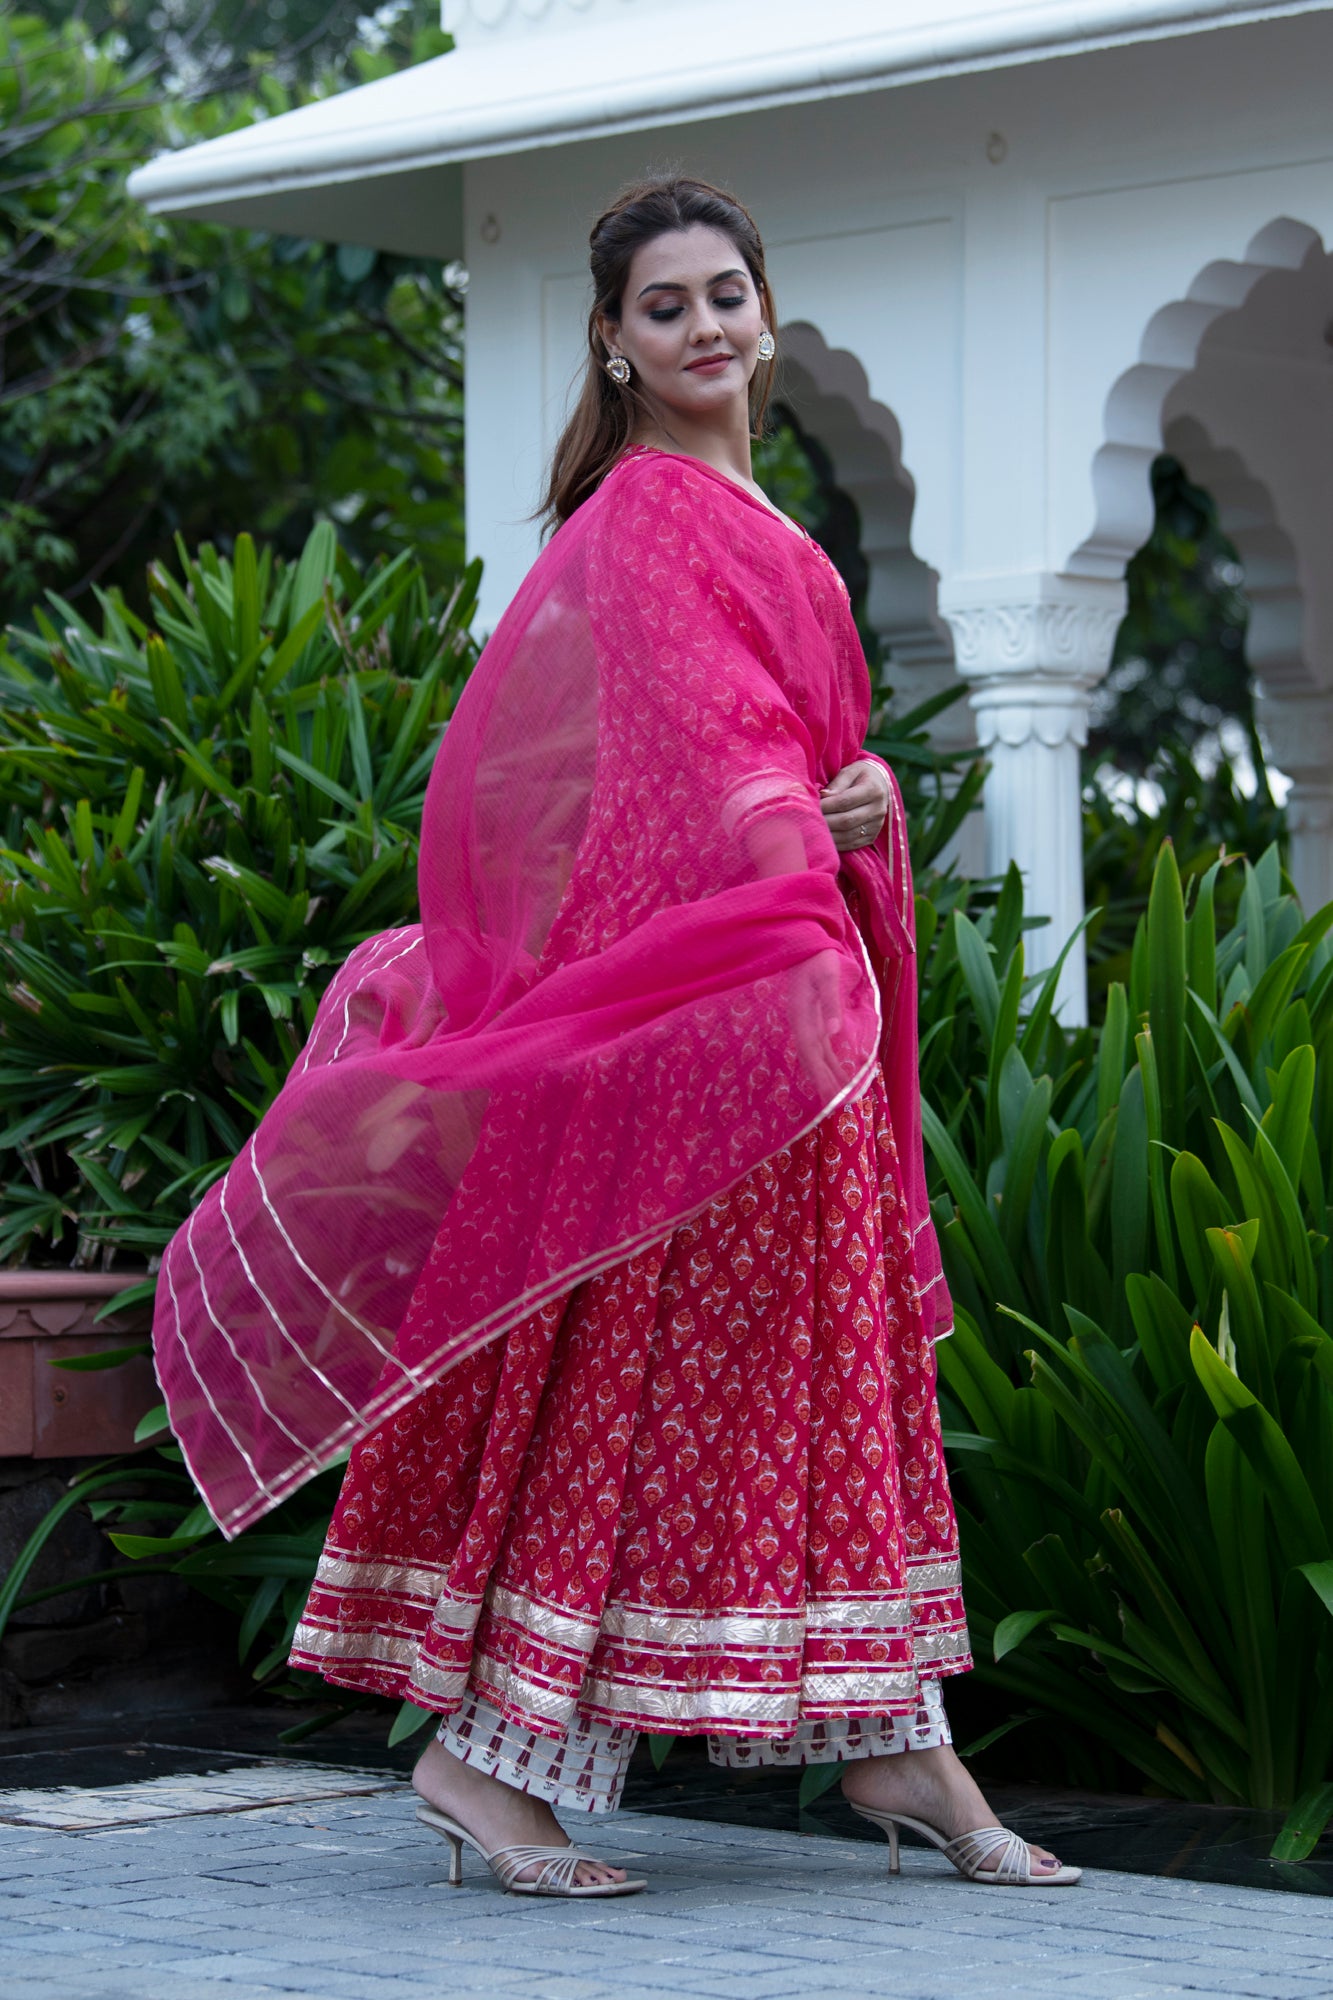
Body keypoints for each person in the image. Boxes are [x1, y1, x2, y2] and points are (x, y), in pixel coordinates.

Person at [152, 176, 1078, 1897]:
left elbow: (785, 755)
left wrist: (852, 801)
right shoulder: (649, 517)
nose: (707, 325)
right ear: (614, 343)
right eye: (667, 307)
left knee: (803, 1384)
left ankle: (892, 1739)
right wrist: (792, 826)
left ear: (767, 313)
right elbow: (694, 760)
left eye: (728, 293)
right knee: (640, 1377)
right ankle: (490, 1760)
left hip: (785, 1006)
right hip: (711, 1018)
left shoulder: (765, 520)